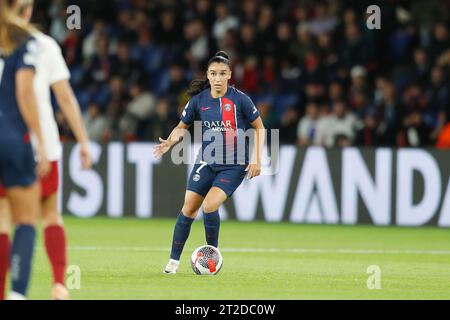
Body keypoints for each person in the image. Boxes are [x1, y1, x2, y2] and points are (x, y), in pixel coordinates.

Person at [0, 0, 92, 300]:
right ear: (27, 11)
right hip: (37, 144)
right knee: (48, 214)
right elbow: (64, 97)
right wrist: (82, 140)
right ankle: (58, 284)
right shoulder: (41, 45)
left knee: (2, 221)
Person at [153, 51, 265, 274]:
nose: (217, 78)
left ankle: (212, 257)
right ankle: (172, 263)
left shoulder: (240, 100)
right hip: (206, 162)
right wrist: (170, 142)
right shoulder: (199, 101)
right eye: (213, 73)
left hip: (233, 165)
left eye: (222, 73)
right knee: (188, 209)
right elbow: (181, 126)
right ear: (207, 75)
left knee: (210, 205)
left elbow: (259, 128)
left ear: (229, 75)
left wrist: (257, 159)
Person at [0, 0, 50, 299]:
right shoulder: (23, 39)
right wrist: (40, 141)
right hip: (11, 136)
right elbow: (24, 93)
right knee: (26, 221)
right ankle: (17, 294)